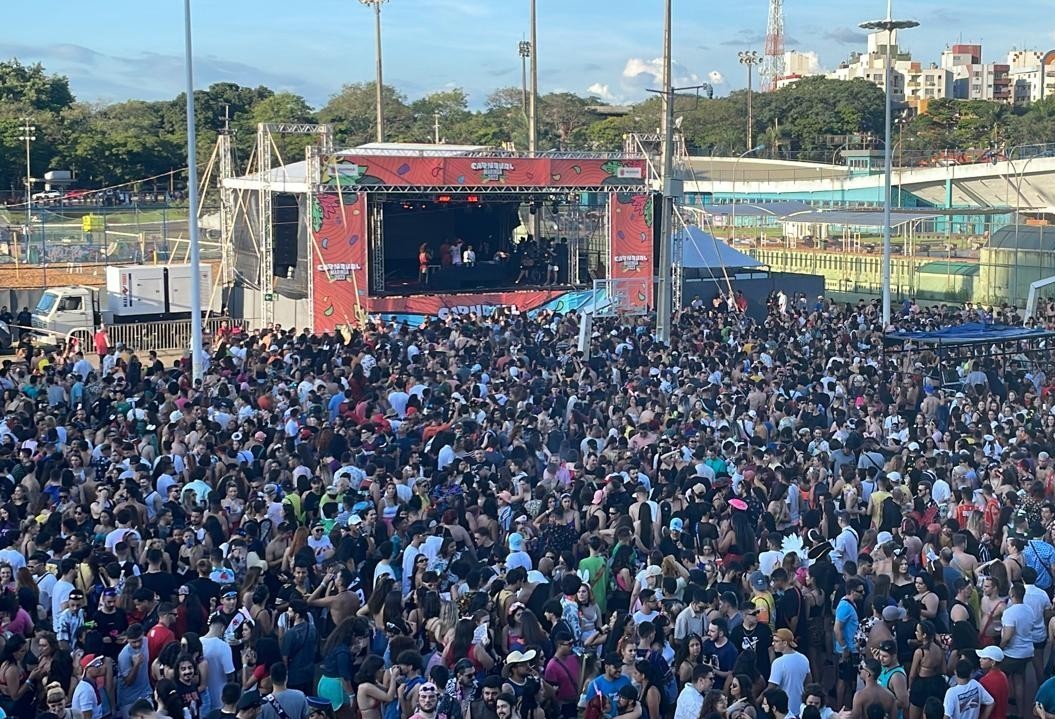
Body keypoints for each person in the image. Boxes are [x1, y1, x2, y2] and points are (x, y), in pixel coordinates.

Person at [769, 628, 811, 713]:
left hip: (784, 708)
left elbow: (771, 687)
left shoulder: (778, 663)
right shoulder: (804, 658)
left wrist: (757, 700)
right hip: (801, 708)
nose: (773, 644)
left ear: (785, 643)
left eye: (776, 641)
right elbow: (809, 682)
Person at [118, 624, 153, 719]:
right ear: (128, 640)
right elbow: (128, 682)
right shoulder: (124, 655)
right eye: (134, 642)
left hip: (145, 694)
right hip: (129, 701)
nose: (137, 644)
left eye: (139, 640)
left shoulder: (146, 641)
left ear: (143, 635)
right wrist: (136, 665)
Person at [975, 647, 1009, 719]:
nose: (980, 660)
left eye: (984, 658)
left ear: (993, 662)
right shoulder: (1003, 675)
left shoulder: (985, 680)